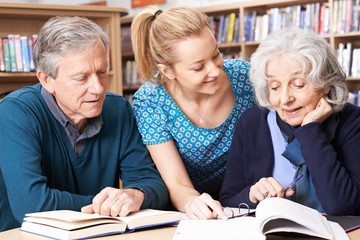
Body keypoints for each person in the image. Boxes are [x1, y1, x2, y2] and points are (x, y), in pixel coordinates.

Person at [0, 16, 169, 232]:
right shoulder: (16, 112)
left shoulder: (119, 109)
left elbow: (154, 184)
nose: (98, 88)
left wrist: (136, 194)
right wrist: (106, 205)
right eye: (82, 78)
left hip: (98, 234)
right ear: (46, 80)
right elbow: (31, 204)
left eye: (101, 72)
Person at [131, 6, 255, 220]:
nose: (215, 70)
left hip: (246, 198)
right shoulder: (150, 101)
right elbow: (177, 184)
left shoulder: (244, 77)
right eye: (198, 68)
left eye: (216, 55)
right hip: (191, 208)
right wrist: (192, 202)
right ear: (167, 71)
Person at [220, 27, 360, 215]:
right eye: (275, 87)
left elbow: (344, 207)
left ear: (326, 84)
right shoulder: (252, 122)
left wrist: (310, 129)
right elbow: (228, 199)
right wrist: (252, 195)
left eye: (298, 85)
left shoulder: (353, 122)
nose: (285, 99)